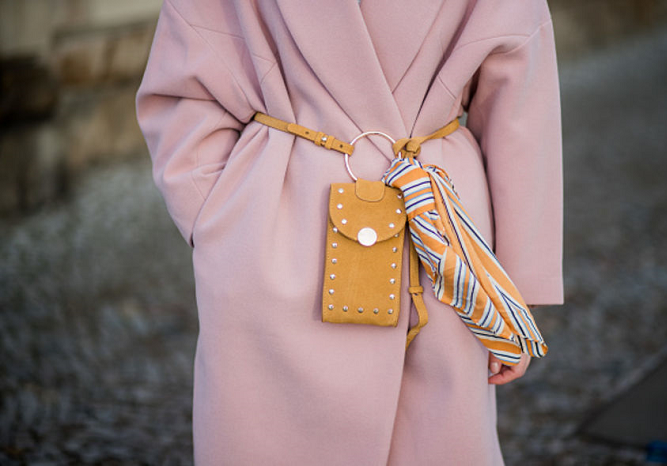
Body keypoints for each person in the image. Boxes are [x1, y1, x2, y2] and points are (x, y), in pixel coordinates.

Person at [136, 0, 563, 464]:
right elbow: (521, 113)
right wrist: (222, 222)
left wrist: (508, 295)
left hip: (427, 238)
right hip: (312, 223)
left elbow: (519, 102)